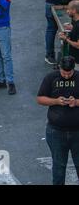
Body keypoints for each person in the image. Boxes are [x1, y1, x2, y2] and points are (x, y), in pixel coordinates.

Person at [37, 55, 79, 185]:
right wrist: (56, 101)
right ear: (59, 68)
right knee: (58, 168)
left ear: (74, 69)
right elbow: (40, 99)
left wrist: (76, 102)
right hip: (56, 132)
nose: (66, 76)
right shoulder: (51, 78)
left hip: (77, 132)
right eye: (64, 73)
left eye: (69, 73)